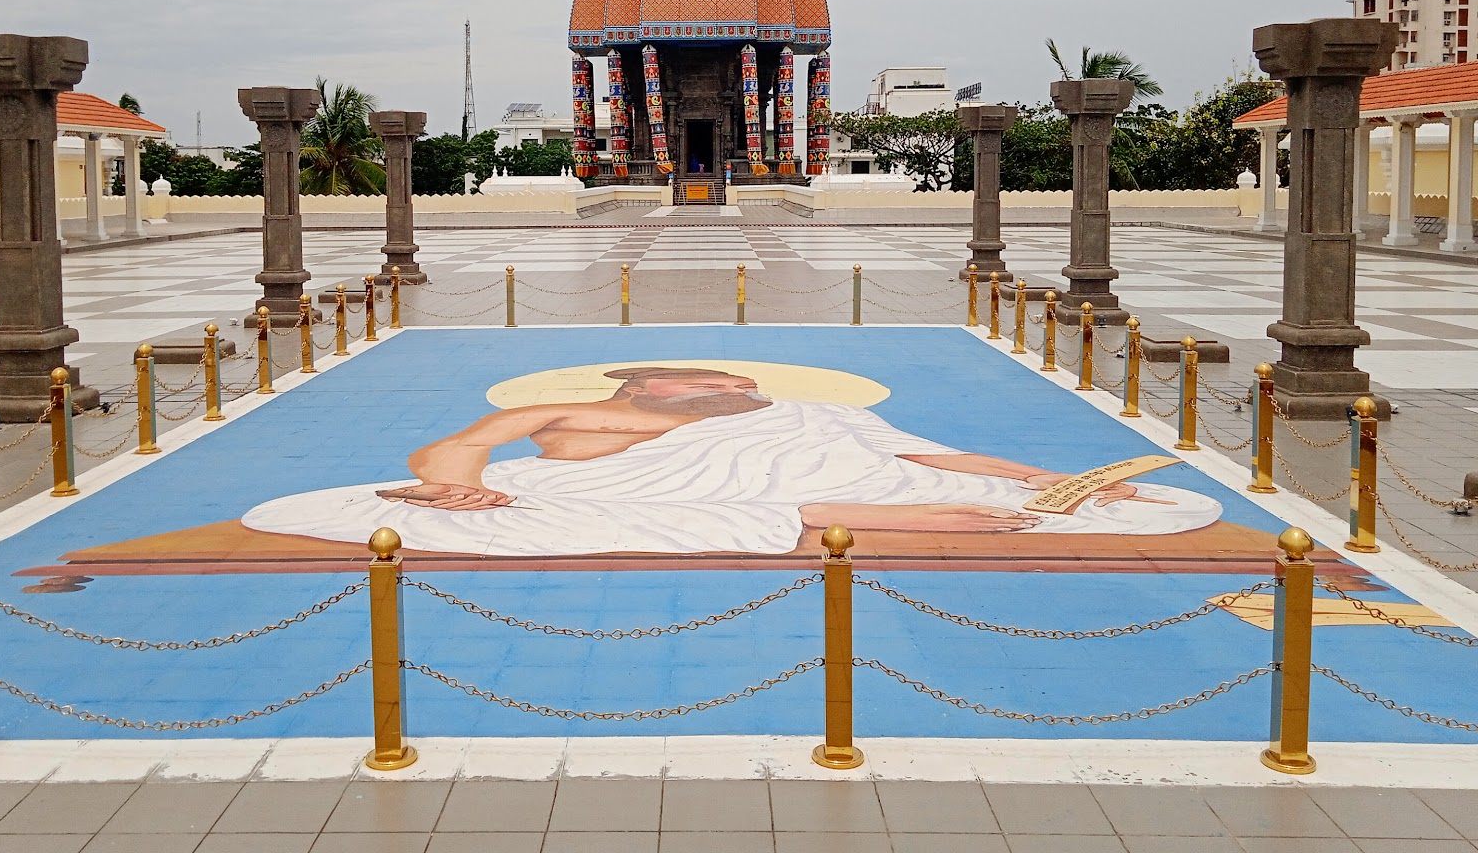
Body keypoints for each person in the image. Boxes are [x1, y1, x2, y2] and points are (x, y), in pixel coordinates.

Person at [242, 367, 1221, 556]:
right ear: (637, 388)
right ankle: (882, 519)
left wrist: (1020, 473)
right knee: (727, 499)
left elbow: (927, 447)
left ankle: (1026, 504)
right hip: (634, 482)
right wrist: (458, 478)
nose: (717, 390)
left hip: (819, 468)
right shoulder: (574, 414)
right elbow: (466, 440)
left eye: (722, 383)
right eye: (685, 382)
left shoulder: (782, 409)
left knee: (928, 482)